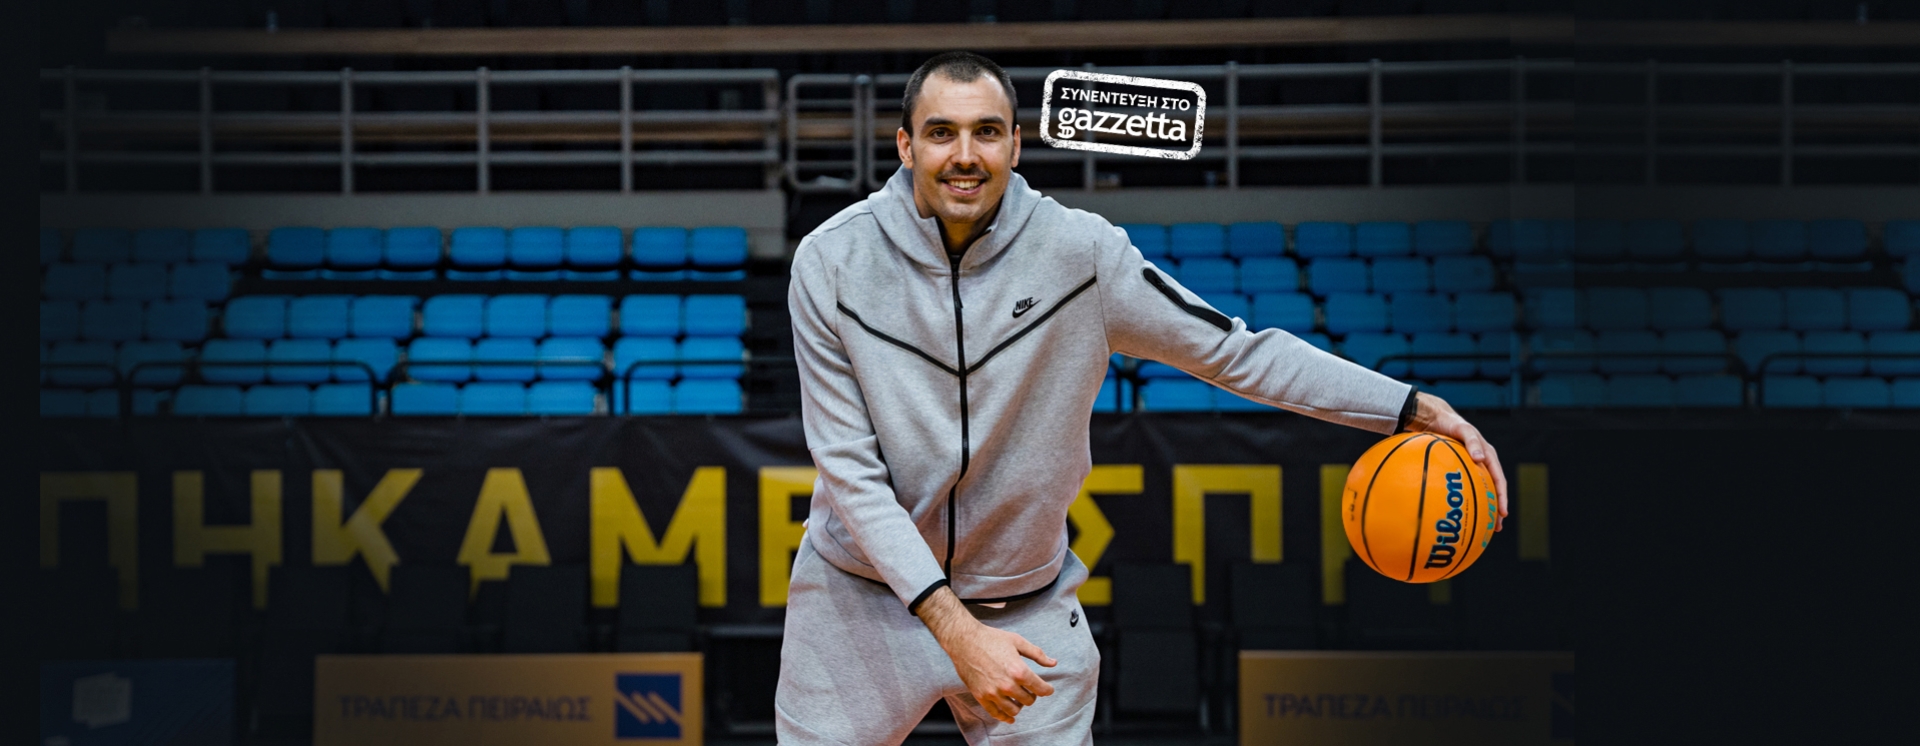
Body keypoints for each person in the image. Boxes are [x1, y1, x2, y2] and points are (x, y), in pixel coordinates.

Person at [777, 51, 1508, 745]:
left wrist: (1412, 407)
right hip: (858, 599)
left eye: (987, 132)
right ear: (906, 146)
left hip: (1025, 604)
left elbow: (1235, 352)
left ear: (1016, 145)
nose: (964, 155)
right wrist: (956, 630)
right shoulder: (831, 262)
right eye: (941, 133)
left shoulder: (1082, 255)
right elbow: (850, 471)